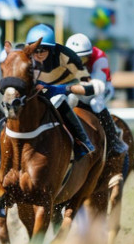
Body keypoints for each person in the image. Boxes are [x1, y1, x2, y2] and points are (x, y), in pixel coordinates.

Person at [22, 24, 100, 160]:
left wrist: (59, 88)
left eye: (43, 49)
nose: (39, 54)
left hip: (65, 93)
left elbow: (89, 88)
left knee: (58, 99)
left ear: (51, 49)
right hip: (35, 94)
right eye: (35, 50)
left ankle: (81, 142)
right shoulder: (25, 56)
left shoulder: (67, 56)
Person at [65, 33, 127, 155]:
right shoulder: (63, 58)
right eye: (75, 59)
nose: (79, 63)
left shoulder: (100, 58)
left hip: (102, 87)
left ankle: (113, 138)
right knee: (68, 99)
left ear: (90, 55)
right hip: (80, 87)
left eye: (83, 59)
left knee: (95, 103)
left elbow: (97, 87)